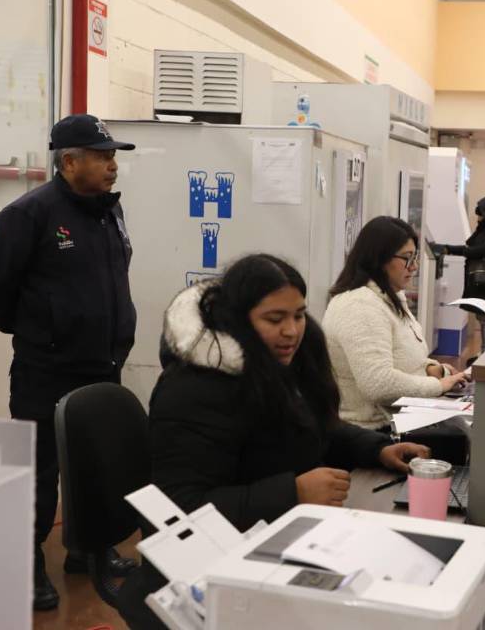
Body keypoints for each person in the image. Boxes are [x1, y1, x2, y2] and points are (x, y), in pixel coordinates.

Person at [117, 254, 429, 629]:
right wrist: (292, 492)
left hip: (269, 547)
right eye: (274, 319)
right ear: (238, 319)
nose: (292, 331)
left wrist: (376, 448)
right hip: (207, 580)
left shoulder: (272, 362)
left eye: (298, 315)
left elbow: (310, 428)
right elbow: (180, 508)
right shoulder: (194, 390)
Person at [0, 114, 139, 611]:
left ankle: (88, 549)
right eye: (102, 156)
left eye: (113, 156)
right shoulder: (29, 215)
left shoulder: (108, 210)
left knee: (94, 466)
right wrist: (41, 333)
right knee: (39, 470)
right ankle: (26, 563)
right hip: (45, 370)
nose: (112, 166)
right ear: (68, 162)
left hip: (102, 365)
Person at [323, 216, 468, 431]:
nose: (414, 266)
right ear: (379, 258)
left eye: (415, 257)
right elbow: (378, 383)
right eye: (407, 258)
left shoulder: (390, 296)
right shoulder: (360, 305)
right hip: (371, 431)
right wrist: (437, 385)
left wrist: (429, 368)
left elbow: (400, 354)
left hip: (399, 420)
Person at [439, 192, 485, 351]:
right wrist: (449, 249)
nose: (479, 217)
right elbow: (474, 247)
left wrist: (458, 251)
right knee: (484, 318)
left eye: (481, 213)